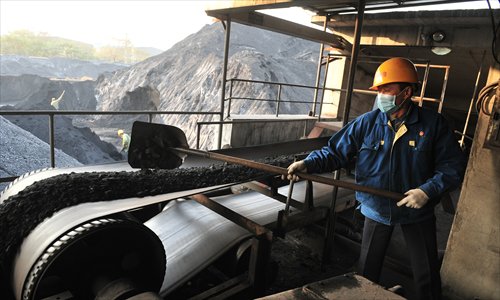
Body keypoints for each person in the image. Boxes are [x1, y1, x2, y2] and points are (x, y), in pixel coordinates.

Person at [286, 57, 466, 300]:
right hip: (376, 208)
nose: (381, 95)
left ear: (406, 91)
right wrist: (308, 163)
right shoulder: (367, 123)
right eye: (379, 90)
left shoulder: (433, 125)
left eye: (386, 89)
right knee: (367, 271)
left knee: (426, 274)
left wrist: (428, 191)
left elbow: (452, 166)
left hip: (416, 210)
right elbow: (335, 152)